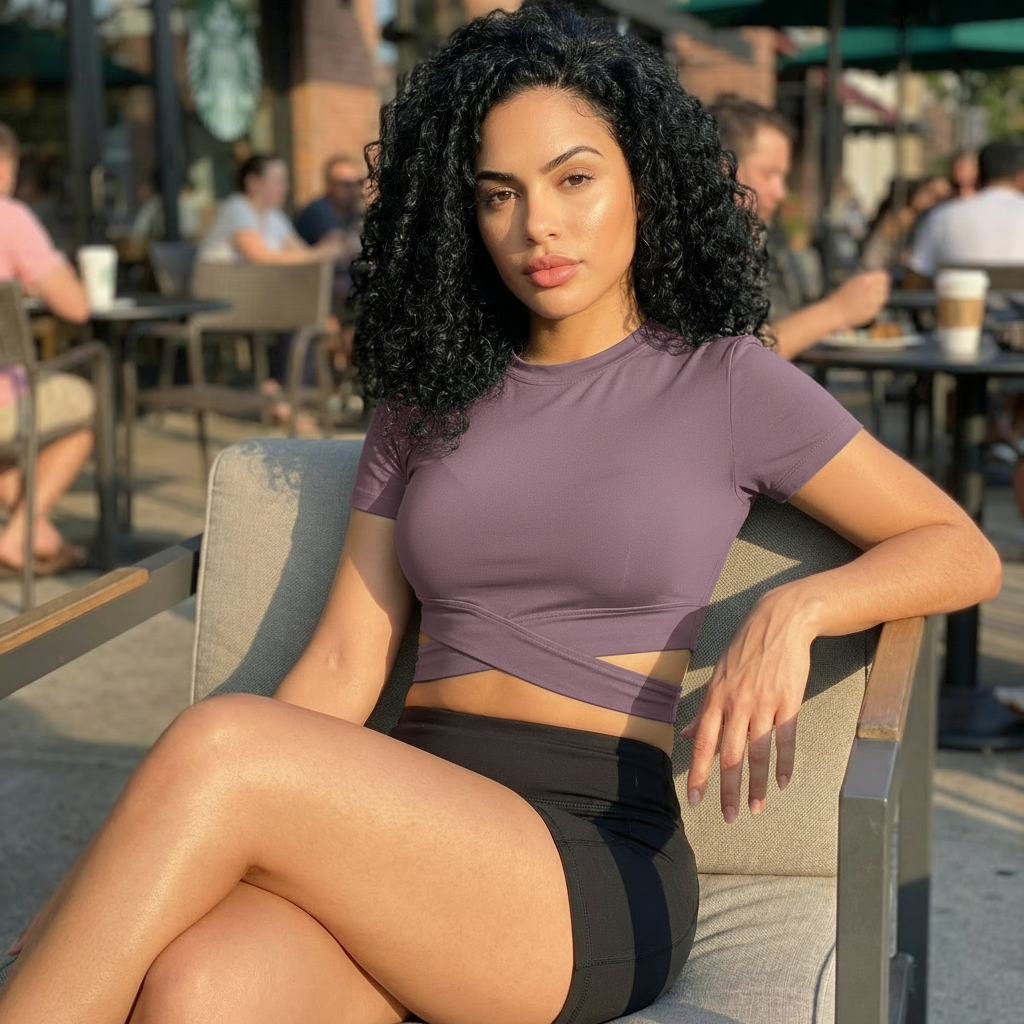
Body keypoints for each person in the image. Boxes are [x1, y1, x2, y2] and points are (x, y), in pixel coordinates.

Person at [0, 6, 1001, 1024]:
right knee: (196, 987)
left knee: (223, 745)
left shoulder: (725, 382)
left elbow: (959, 548)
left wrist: (800, 610)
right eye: (497, 195)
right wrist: (104, 885)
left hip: (584, 857)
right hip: (402, 828)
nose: (539, 229)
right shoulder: (427, 393)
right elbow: (348, 661)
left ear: (642, 180)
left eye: (574, 180)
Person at [710, 97, 891, 359]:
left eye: (784, 176)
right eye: (770, 173)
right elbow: (740, 359)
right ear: (723, 167)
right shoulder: (699, 249)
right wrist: (838, 311)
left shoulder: (753, 241)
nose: (781, 192)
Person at [0, 121, 93, 577]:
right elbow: (75, 307)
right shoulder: (10, 217)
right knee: (82, 415)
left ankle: (38, 535)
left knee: (15, 443)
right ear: (5, 166)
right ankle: (18, 537)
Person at [906, 140, 1024, 281]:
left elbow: (916, 278)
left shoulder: (942, 216)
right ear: (1021, 175)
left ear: (978, 174)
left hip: (961, 302)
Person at [198, 154, 342, 265]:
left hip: (260, 290)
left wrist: (329, 247)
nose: (284, 188)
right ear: (252, 182)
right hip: (224, 292)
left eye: (284, 181)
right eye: (277, 181)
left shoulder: (274, 214)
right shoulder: (236, 207)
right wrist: (322, 253)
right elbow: (261, 258)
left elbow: (300, 251)